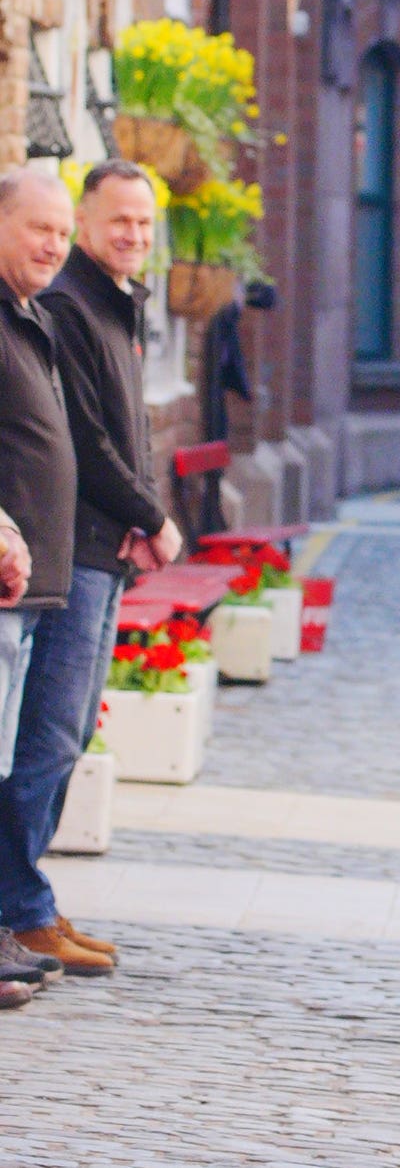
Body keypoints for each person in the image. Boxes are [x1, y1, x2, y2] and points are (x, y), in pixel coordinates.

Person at [2, 161, 176, 976]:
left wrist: (140, 519)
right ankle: (21, 908)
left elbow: (110, 436)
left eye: (145, 223)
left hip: (87, 551)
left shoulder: (101, 302)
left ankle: (28, 903)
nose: (132, 236)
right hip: (54, 555)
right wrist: (152, 516)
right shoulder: (69, 303)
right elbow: (87, 443)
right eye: (117, 221)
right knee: (41, 739)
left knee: (60, 737)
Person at [0, 168, 80, 1002]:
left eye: (62, 233)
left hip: (31, 588)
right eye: (38, 229)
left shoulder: (30, 317)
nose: (54, 246)